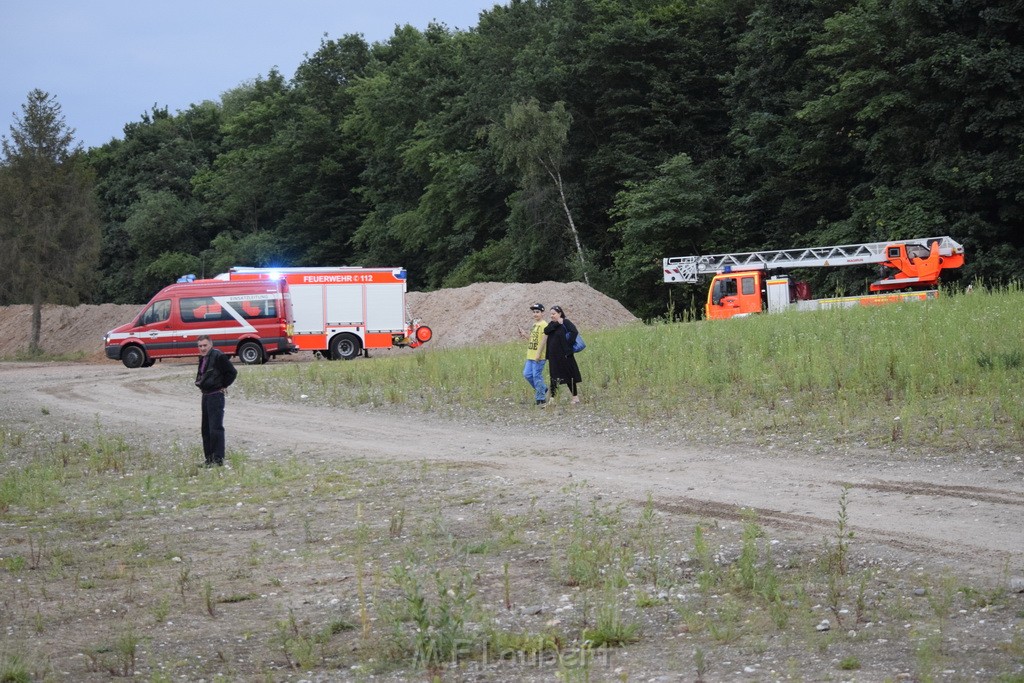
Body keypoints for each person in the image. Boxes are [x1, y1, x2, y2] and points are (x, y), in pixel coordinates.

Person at [195, 335, 238, 467]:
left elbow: (232, 372)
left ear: (211, 345)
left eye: (205, 345)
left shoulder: (218, 356)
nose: (203, 348)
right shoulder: (203, 358)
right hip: (206, 395)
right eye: (200, 346)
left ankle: (218, 460)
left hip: (215, 396)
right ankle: (209, 459)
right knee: (206, 429)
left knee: (215, 429)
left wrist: (223, 385)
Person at [545, 305, 582, 404]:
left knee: (569, 376)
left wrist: (567, 344)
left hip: (565, 355)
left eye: (554, 314)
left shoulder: (566, 322)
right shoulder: (552, 324)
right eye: (551, 314)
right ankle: (552, 399)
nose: (552, 316)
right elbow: (546, 330)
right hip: (554, 356)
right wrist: (557, 323)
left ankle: (575, 397)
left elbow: (574, 332)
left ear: (560, 313)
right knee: (554, 377)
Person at [523, 303, 548, 406]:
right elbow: (532, 339)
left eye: (537, 312)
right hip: (530, 354)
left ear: (542, 313)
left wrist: (538, 354)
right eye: (533, 312)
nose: (535, 314)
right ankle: (542, 389)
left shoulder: (544, 325)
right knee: (527, 374)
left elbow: (543, 341)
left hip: (539, 356)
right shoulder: (534, 325)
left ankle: (540, 399)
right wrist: (525, 335)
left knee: (536, 376)